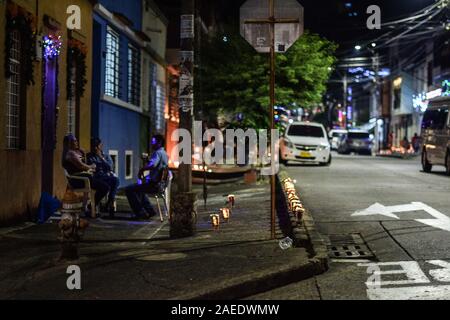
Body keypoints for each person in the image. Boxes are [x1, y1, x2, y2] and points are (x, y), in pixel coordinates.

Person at [62, 134, 110, 218]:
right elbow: (82, 166)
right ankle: (91, 207)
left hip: (83, 178)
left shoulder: (72, 153)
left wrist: (83, 154)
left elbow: (83, 164)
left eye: (76, 140)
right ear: (69, 143)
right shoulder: (70, 154)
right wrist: (92, 166)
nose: (77, 142)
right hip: (79, 180)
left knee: (104, 185)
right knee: (105, 187)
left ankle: (90, 207)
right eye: (74, 141)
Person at [125, 134, 169, 219]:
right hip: (161, 185)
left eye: (154, 142)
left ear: (159, 143)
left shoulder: (157, 153)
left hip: (154, 185)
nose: (152, 144)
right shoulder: (164, 153)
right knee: (139, 189)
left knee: (129, 189)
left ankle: (140, 213)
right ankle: (149, 210)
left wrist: (142, 169)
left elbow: (152, 165)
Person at [87, 138, 120, 217]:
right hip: (97, 178)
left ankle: (110, 200)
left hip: (106, 177)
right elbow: (92, 168)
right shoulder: (89, 156)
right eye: (94, 146)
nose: (96, 148)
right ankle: (109, 203)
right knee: (109, 184)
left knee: (115, 180)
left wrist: (101, 158)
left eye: (98, 146)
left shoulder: (106, 156)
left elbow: (110, 167)